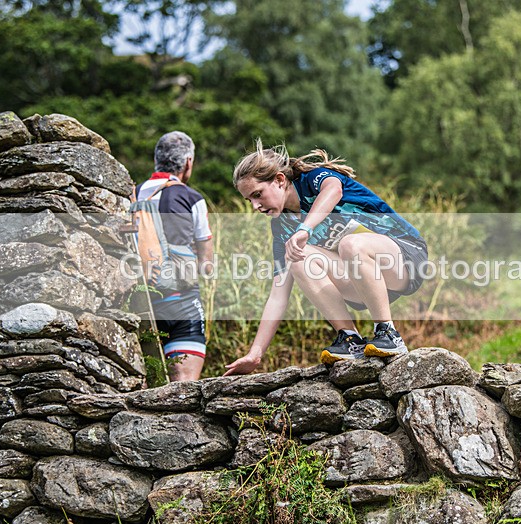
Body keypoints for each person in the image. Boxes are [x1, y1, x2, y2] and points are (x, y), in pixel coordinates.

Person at [223, 140, 427, 376]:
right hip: (361, 282)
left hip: (405, 258)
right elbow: (278, 295)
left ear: (279, 180)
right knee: (298, 257)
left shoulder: (313, 180)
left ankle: (388, 332)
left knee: (351, 244)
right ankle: (350, 339)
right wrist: (255, 353)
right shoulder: (281, 228)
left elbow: (334, 190)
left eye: (258, 195)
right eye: (250, 200)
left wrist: (305, 228)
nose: (256, 206)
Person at [133, 131, 213, 381]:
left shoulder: (133, 195)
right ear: (188, 162)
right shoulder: (192, 198)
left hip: (139, 301)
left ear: (156, 160)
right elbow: (206, 264)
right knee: (183, 387)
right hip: (182, 300)